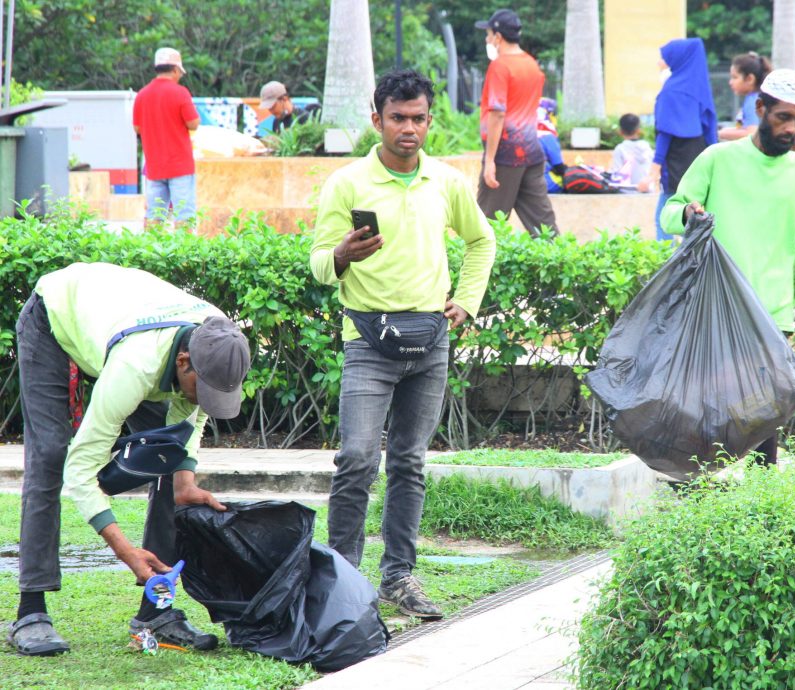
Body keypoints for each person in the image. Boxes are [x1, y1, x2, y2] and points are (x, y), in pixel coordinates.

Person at [309, 70, 496, 620]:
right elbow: (320, 266)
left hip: (430, 341)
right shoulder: (347, 184)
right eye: (398, 118)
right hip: (367, 341)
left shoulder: (446, 181)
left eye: (418, 118)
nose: (408, 129)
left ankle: (399, 578)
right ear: (377, 120)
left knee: (410, 462)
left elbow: (482, 241)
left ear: (429, 121)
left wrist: (467, 300)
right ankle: (341, 580)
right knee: (357, 459)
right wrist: (342, 255)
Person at [9, 262, 250, 656]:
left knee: (168, 461)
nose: (203, 398)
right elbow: (81, 472)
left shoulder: (219, 337)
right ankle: (30, 612)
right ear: (184, 362)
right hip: (55, 315)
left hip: (117, 325)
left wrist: (185, 479)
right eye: (200, 388)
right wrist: (124, 549)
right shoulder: (134, 366)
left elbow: (194, 416)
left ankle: (156, 613)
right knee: (52, 454)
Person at [661, 68, 795, 464]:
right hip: (715, 309)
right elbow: (669, 213)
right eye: (782, 117)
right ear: (760, 108)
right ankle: (698, 498)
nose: (791, 129)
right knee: (708, 413)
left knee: (765, 421)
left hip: (773, 317)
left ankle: (761, 505)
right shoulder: (717, 158)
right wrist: (688, 214)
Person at [475, 9, 557, 238]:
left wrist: (490, 160)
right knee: (544, 228)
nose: (487, 39)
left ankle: (477, 274)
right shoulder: (532, 65)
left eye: (489, 34)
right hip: (532, 153)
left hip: (505, 155)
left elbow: (498, 113)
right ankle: (566, 267)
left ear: (498, 37)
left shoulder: (500, 66)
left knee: (483, 228)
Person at [643, 38, 718, 240]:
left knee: (664, 214)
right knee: (698, 211)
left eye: (664, 58)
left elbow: (665, 133)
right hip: (700, 155)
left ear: (677, 60)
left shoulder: (671, 90)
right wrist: (716, 159)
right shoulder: (700, 89)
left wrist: (656, 164)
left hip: (676, 158)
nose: (660, 63)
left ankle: (662, 258)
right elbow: (710, 129)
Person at [133, 47, 200, 227]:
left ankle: (151, 252)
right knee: (184, 214)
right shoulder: (180, 93)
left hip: (154, 166)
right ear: (176, 70)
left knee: (154, 214)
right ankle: (185, 253)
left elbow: (137, 128)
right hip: (180, 166)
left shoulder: (142, 95)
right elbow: (193, 123)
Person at [719, 52, 772, 141]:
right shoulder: (753, 99)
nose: (730, 82)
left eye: (734, 77)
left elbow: (752, 133)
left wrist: (720, 133)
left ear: (750, 79)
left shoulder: (754, 102)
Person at [536, 98, 566, 193]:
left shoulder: (523, 131)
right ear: (549, 114)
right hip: (547, 184)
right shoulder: (547, 135)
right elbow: (559, 167)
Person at [614, 113, 653, 187]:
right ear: (639, 130)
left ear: (620, 131)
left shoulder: (620, 149)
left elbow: (617, 174)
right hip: (647, 190)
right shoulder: (647, 147)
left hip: (627, 191)